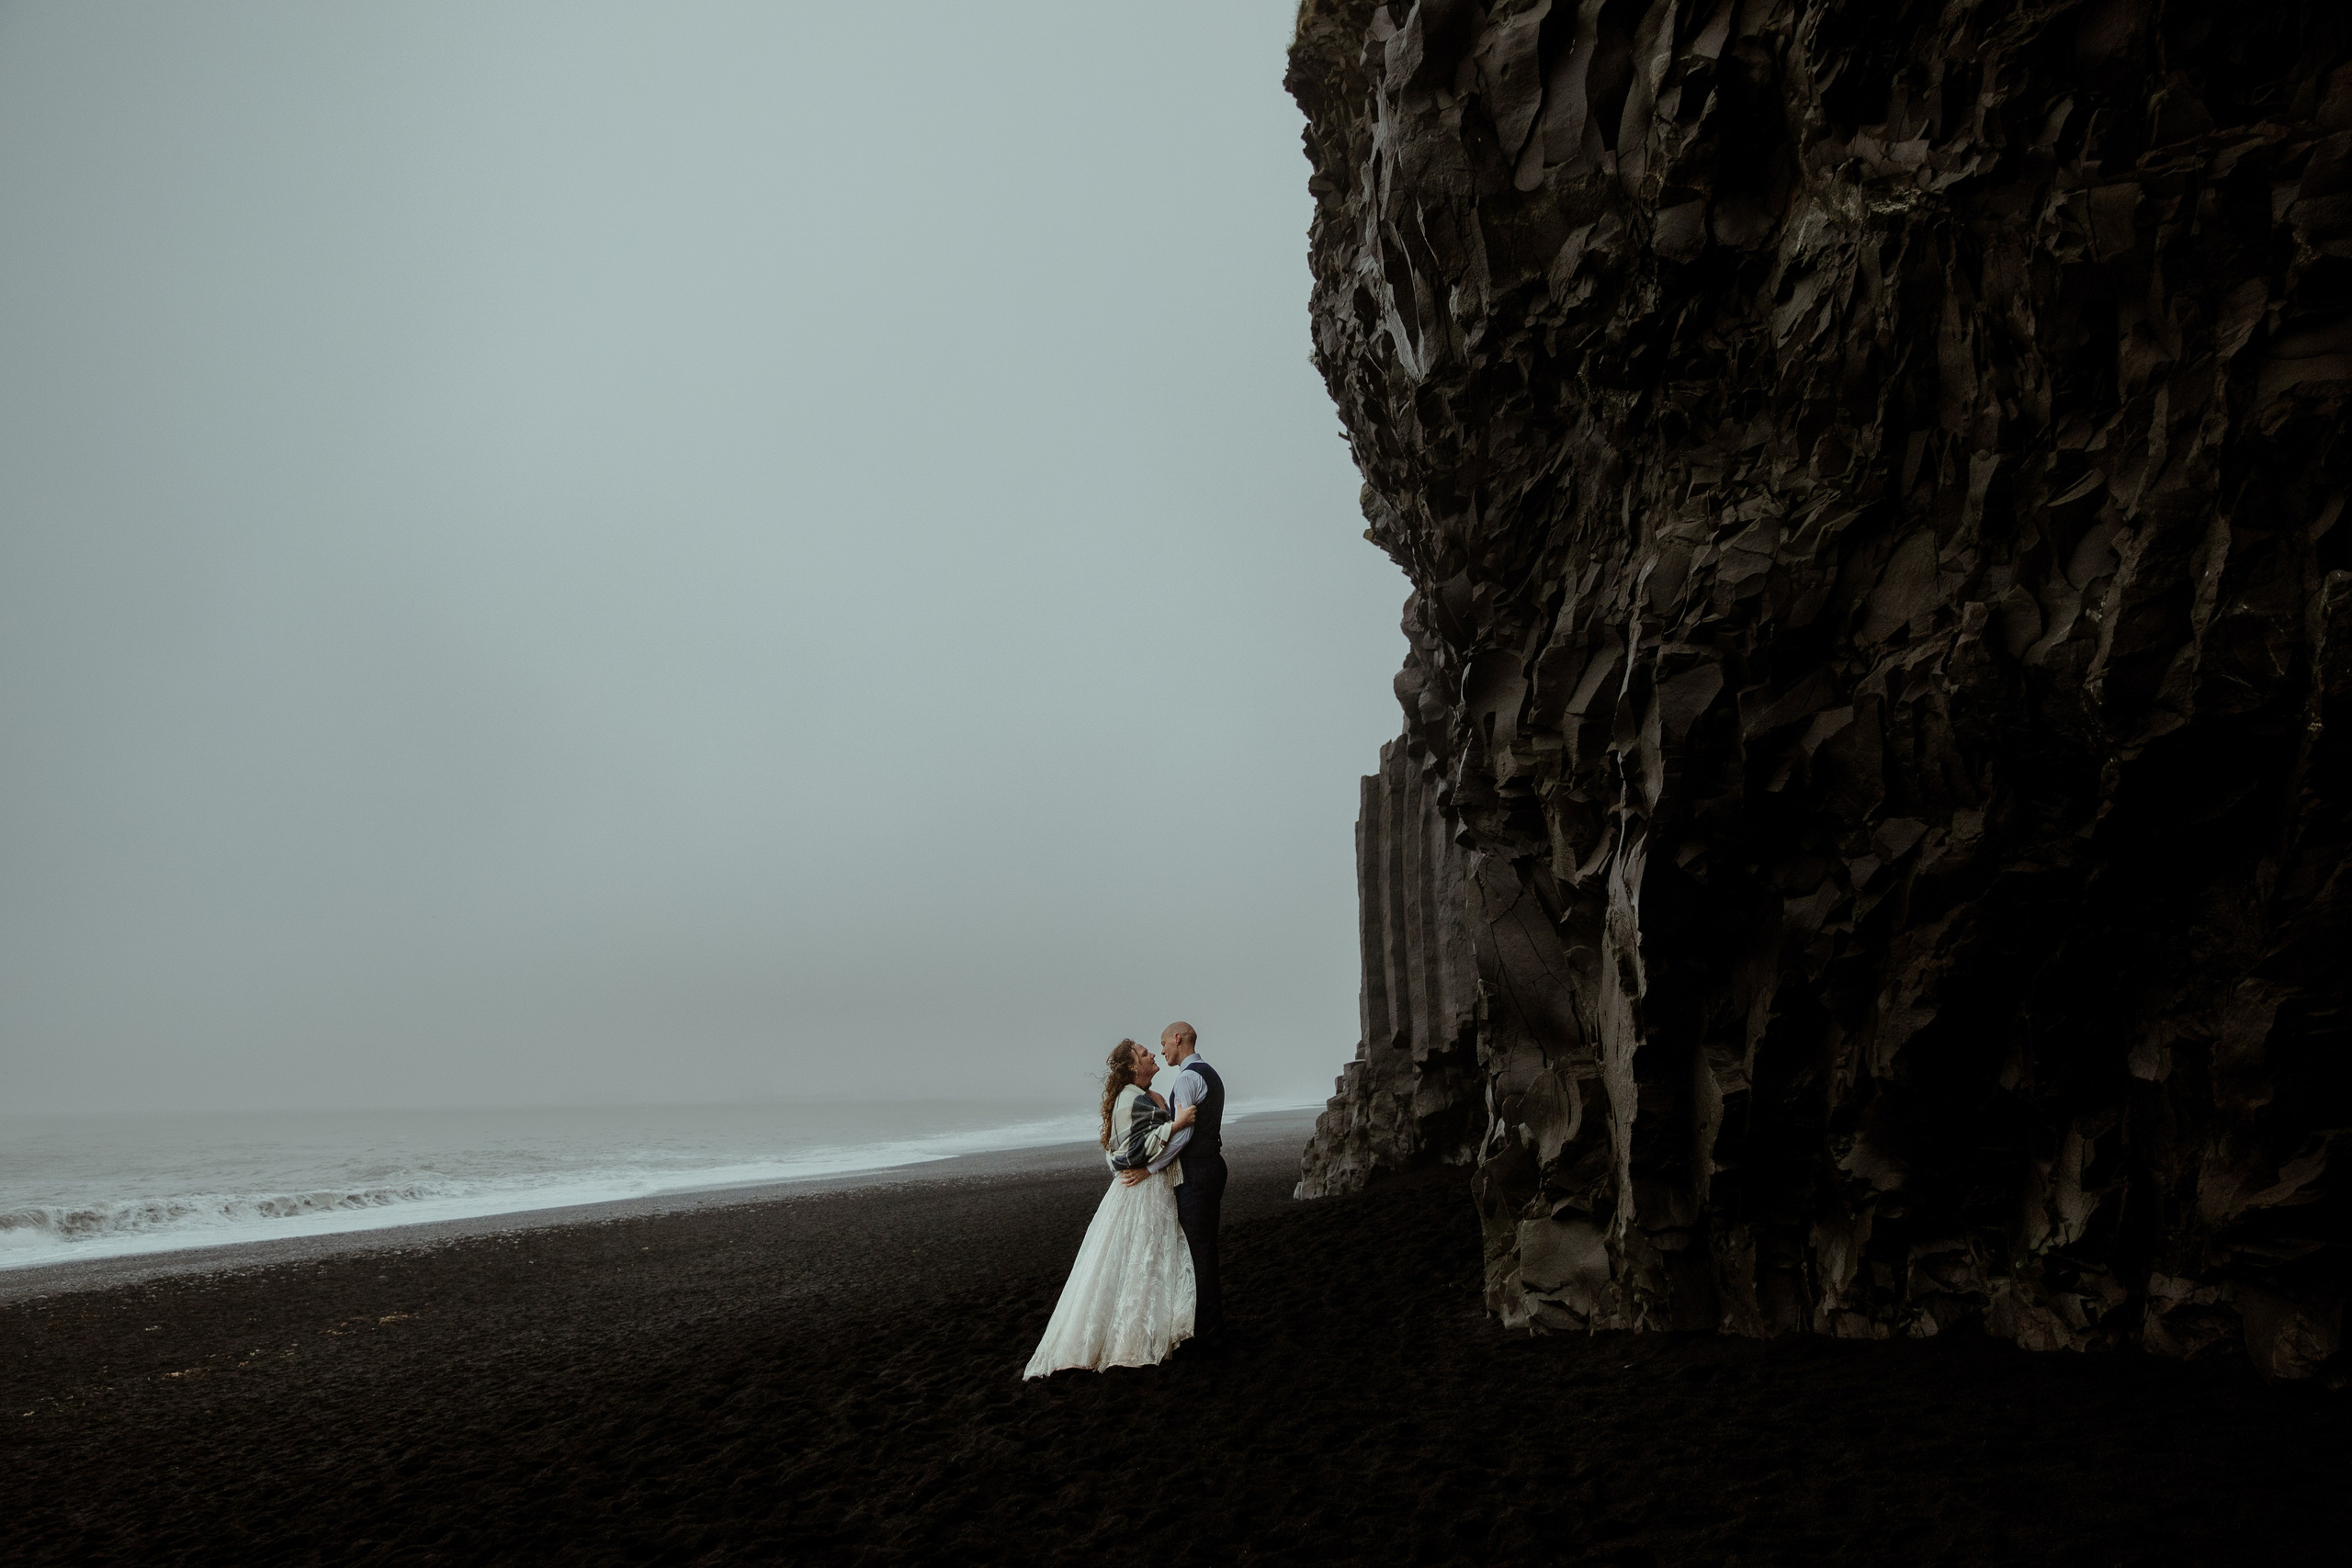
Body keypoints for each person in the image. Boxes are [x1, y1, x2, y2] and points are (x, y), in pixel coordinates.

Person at [1021, 1038, 1198, 1378]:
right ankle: (1123, 1343)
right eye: (1144, 1053)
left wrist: (1169, 1126)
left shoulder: (1147, 1096)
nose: (1151, 1054)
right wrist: (1175, 1125)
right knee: (1131, 1258)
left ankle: (1145, 1333)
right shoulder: (1129, 1098)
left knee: (1149, 1259)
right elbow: (1127, 1151)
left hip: (1153, 1186)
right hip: (1138, 1189)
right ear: (1133, 1066)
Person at [1123, 1021, 1225, 1344]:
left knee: (1198, 1253)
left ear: (1177, 1039)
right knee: (1205, 1248)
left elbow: (1181, 1138)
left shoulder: (1187, 1079)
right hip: (1212, 1167)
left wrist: (1150, 1168)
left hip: (1196, 1172)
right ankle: (1210, 1323)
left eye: (1164, 1043)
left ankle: (1207, 1329)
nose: (1162, 1050)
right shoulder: (1210, 1073)